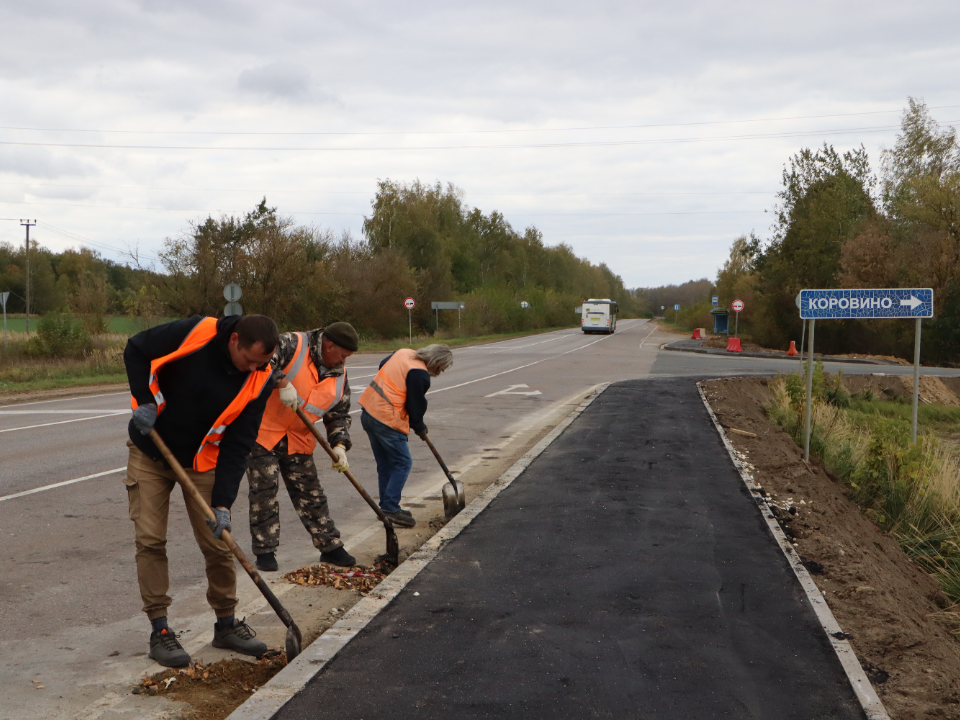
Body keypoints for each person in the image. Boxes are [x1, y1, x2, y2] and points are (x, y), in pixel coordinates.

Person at [123, 313, 278, 669]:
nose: (253, 368)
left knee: (219, 541)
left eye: (262, 363)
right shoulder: (196, 332)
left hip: (202, 461)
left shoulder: (260, 378)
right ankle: (160, 631)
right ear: (234, 340)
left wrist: (223, 502)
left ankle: (226, 624)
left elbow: (239, 445)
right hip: (152, 449)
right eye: (249, 359)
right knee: (150, 540)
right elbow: (136, 349)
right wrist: (144, 399)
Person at [247, 322, 359, 572]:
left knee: (311, 493)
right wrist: (282, 382)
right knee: (264, 491)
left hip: (298, 437)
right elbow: (263, 358)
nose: (343, 361)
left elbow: (339, 412)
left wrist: (339, 445)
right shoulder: (293, 344)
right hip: (263, 431)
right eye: (342, 355)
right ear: (329, 346)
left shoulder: (338, 373)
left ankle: (330, 546)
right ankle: (265, 551)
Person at [358, 344, 454, 527]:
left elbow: (383, 365)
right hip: (387, 419)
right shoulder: (420, 374)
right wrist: (419, 427)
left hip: (368, 411)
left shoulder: (403, 353)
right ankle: (390, 507)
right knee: (403, 462)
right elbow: (415, 407)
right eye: (440, 368)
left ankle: (386, 506)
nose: (439, 372)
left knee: (386, 464)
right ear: (435, 361)